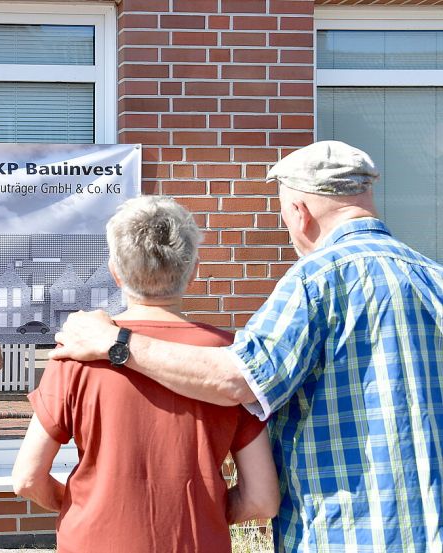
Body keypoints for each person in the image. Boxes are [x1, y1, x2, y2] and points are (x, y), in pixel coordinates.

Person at [51, 141, 443, 552]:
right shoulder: (433, 277)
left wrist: (115, 343)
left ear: (299, 211)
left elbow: (239, 379)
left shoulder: (315, 280)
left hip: (345, 532)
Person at [12, 196, 280, 552]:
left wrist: (79, 503)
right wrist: (209, 511)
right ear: (194, 269)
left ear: (115, 272)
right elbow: (262, 498)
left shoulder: (76, 355)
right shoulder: (230, 360)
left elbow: (27, 478)